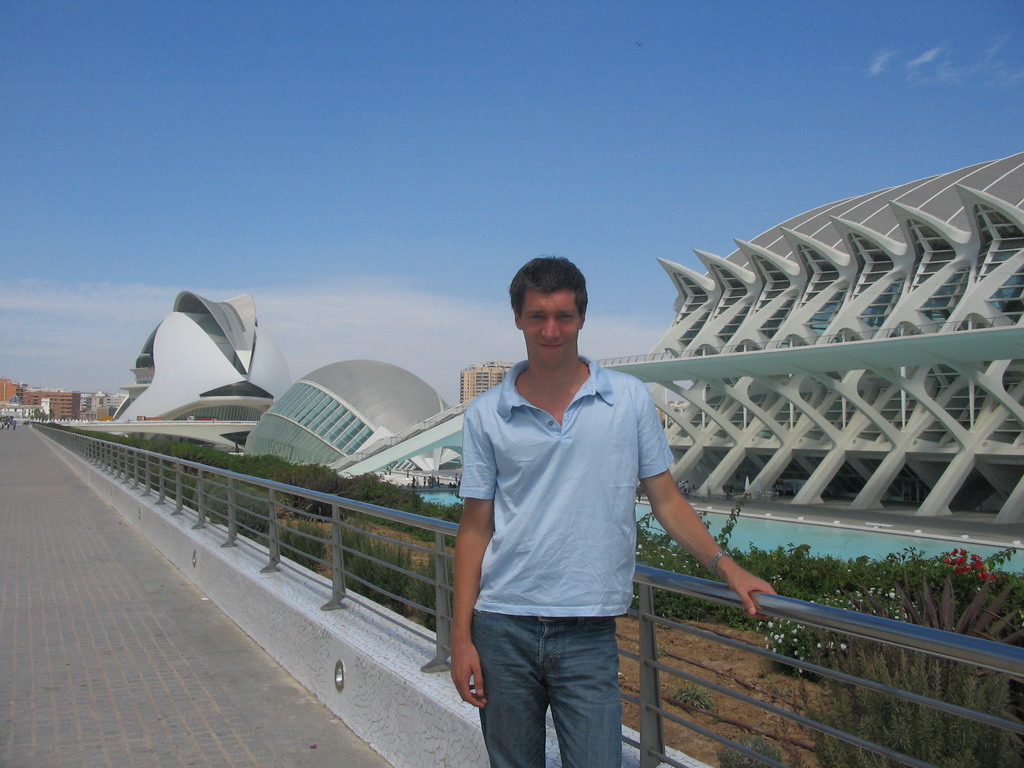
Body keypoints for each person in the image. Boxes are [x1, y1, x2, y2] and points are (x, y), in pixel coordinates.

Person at [450, 257, 775, 768]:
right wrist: (460, 636)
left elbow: (666, 499)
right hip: (503, 625)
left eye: (563, 316)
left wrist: (727, 567)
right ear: (517, 319)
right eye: (537, 317)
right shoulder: (487, 414)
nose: (550, 330)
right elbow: (474, 529)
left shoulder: (627, 400)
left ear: (582, 318)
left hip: (588, 628)